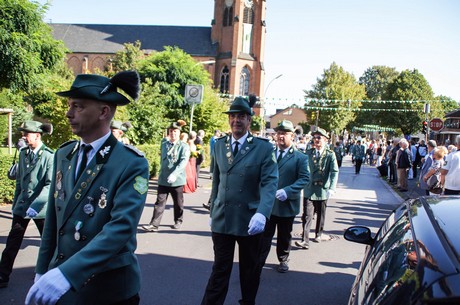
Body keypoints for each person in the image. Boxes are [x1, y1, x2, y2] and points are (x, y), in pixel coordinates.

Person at [25, 71, 149, 305]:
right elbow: (53, 217)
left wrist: (66, 274)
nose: (68, 113)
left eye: (78, 106)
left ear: (104, 112)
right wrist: (42, 269)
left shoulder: (130, 162)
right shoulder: (64, 154)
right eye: (70, 105)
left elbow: (120, 229)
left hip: (108, 290)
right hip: (65, 285)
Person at [201, 96, 278, 305]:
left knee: (249, 270)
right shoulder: (218, 145)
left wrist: (262, 212)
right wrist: (212, 209)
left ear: (249, 121)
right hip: (223, 218)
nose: (236, 120)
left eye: (241, 117)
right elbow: (216, 180)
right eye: (233, 116)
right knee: (219, 270)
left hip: (249, 219)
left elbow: (270, 183)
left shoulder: (263, 148)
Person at [0, 121, 54, 288]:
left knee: (48, 243)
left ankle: (45, 273)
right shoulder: (23, 153)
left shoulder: (49, 156)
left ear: (37, 136)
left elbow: (49, 185)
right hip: (23, 207)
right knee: (12, 242)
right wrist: (17, 204)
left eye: (26, 134)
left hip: (41, 208)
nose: (23, 136)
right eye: (23, 133)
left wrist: (35, 205)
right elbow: (19, 182)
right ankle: (3, 276)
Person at [259, 120, 309, 273]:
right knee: (264, 235)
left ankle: (283, 259)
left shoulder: (300, 157)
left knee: (284, 235)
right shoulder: (268, 154)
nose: (280, 136)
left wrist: (288, 190)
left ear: (292, 136)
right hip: (268, 203)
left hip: (287, 204)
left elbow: (305, 179)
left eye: (284, 133)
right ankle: (259, 260)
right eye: (279, 133)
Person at [142, 120, 190, 232]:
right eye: (171, 131)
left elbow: (183, 161)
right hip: (164, 178)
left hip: (176, 179)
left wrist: (175, 174)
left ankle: (178, 220)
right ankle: (154, 224)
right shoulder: (164, 143)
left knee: (178, 203)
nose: (173, 133)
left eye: (175, 131)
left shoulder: (183, 146)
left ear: (179, 133)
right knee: (159, 202)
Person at [296, 127, 338, 249]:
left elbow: (334, 171)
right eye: (314, 138)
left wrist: (332, 188)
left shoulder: (330, 155)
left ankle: (318, 234)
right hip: (309, 188)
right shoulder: (309, 153)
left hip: (322, 189)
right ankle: (305, 239)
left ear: (325, 139)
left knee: (321, 214)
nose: (316, 140)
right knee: (307, 215)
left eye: (319, 137)